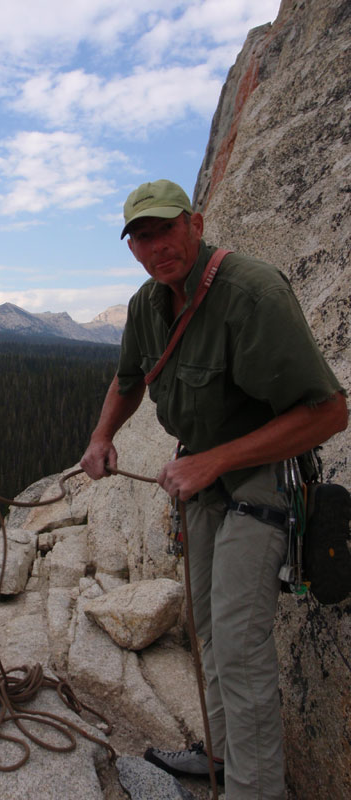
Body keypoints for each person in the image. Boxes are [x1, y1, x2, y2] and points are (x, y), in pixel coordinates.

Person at [80, 180, 348, 799]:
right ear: (132, 248)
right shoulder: (148, 305)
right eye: (142, 236)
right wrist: (100, 438)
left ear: (195, 225)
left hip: (262, 474)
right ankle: (223, 757)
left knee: (237, 639)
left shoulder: (250, 291)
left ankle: (256, 791)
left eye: (166, 228)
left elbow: (328, 412)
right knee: (204, 627)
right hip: (204, 477)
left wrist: (212, 462)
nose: (156, 245)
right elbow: (128, 381)